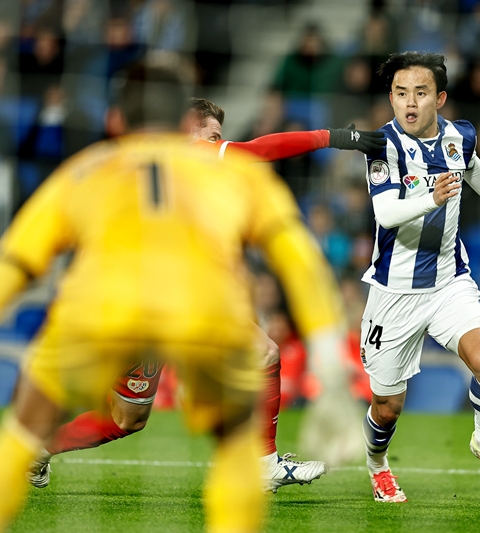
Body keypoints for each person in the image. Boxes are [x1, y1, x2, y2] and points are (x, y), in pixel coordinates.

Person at [0, 63, 347, 532]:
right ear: (186, 127)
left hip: (104, 304)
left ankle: (35, 451)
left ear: (119, 120)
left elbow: (17, 261)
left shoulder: (86, 169)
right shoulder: (211, 161)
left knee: (109, 418)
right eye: (214, 134)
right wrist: (333, 137)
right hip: (188, 300)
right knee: (227, 397)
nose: (220, 142)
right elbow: (296, 254)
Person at [360, 51, 480, 503]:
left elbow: (470, 165)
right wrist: (431, 199)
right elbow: (385, 212)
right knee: (387, 408)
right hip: (395, 292)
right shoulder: (382, 146)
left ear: (440, 98)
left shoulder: (460, 135)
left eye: (420, 92)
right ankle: (378, 465)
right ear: (391, 99)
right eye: (400, 93)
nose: (410, 102)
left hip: (449, 280)